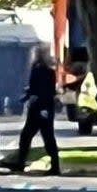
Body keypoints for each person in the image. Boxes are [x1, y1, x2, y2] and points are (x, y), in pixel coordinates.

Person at [11, 44, 61, 175]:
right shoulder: (48, 71)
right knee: (45, 137)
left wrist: (38, 103)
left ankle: (21, 163)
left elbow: (43, 90)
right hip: (44, 107)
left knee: (30, 136)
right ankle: (54, 165)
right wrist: (27, 96)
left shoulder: (39, 70)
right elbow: (43, 89)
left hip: (39, 108)